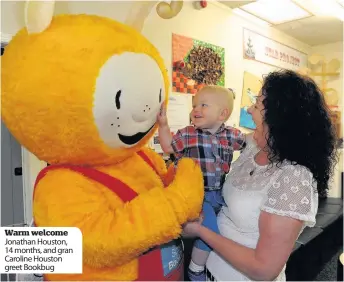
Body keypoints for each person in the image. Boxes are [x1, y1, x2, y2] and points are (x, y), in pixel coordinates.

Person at [182, 70, 338, 281]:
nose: (248, 109)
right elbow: (216, 135)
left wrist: (202, 232)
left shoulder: (294, 178)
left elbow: (264, 269)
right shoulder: (253, 147)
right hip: (209, 271)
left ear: (280, 119)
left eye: (256, 105)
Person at [157, 85, 247, 280]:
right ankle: (195, 269)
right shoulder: (188, 134)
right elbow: (166, 146)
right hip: (197, 195)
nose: (195, 110)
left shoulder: (231, 135)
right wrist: (163, 125)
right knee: (209, 230)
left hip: (219, 194)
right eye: (194, 105)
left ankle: (208, 264)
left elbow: (251, 144)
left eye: (203, 105)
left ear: (222, 114)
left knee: (221, 229)